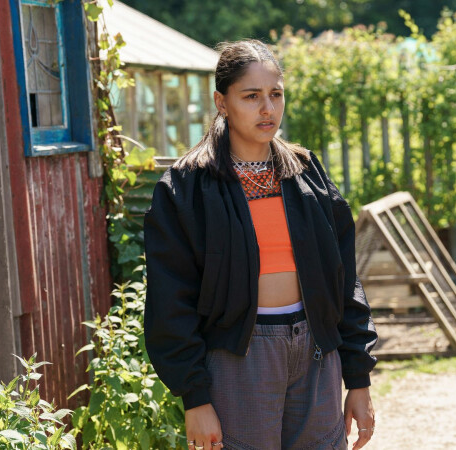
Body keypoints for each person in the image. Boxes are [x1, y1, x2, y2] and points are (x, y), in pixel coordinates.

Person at [144, 39, 377, 450]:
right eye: (251, 96)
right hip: (238, 357)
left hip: (316, 351)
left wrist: (358, 378)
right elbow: (170, 297)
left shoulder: (306, 173)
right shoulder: (186, 187)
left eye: (276, 94)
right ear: (221, 102)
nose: (267, 108)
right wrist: (195, 397)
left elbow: (344, 280)